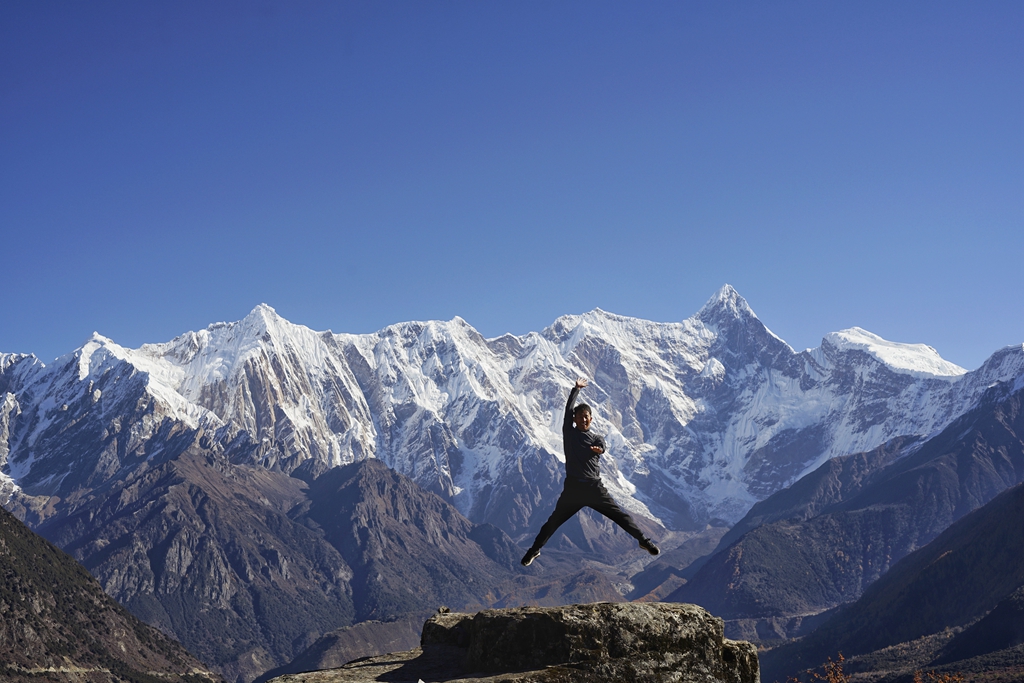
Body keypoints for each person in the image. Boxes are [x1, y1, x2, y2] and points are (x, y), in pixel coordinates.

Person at [521, 377, 660, 566]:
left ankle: (644, 541)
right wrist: (575, 390)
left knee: (621, 516)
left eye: (586, 416)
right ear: (574, 420)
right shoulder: (569, 434)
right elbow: (567, 410)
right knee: (553, 523)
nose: (583, 419)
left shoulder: (596, 438)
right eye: (580, 416)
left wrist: (600, 450)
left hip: (595, 488)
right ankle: (534, 551)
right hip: (573, 489)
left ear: (591, 419)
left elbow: (602, 445)